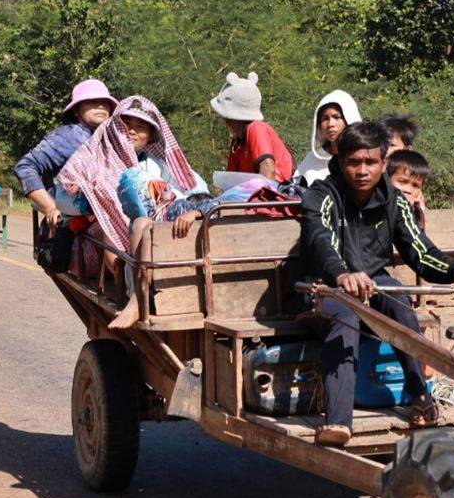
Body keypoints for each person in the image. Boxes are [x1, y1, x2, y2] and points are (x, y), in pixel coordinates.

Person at [298, 122, 454, 447]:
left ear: (384, 163)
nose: (362, 170)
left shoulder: (393, 199)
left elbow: (419, 249)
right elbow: (319, 238)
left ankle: (420, 396)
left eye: (370, 162)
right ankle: (339, 421)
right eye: (354, 162)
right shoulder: (321, 195)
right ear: (340, 162)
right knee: (346, 316)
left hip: (373, 281)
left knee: (400, 306)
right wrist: (341, 274)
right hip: (322, 287)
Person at [59, 96, 210, 328]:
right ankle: (131, 291)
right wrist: (99, 203)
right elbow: (63, 197)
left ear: (150, 135)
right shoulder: (94, 157)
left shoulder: (159, 165)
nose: (131, 132)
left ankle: (162, 289)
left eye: (140, 127)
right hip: (108, 234)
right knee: (109, 232)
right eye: (125, 125)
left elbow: (197, 190)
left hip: (159, 234)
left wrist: (181, 204)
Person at [15, 79, 118, 230]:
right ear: (77, 110)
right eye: (93, 101)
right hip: (70, 224)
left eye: (105, 102)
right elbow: (25, 166)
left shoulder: (115, 138)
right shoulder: (69, 137)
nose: (100, 105)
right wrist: (50, 207)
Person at [209, 71, 294, 182]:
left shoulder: (257, 128)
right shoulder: (237, 142)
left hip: (280, 194)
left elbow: (268, 170)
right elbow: (232, 182)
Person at [293, 90, 362, 186]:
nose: (330, 124)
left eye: (336, 117)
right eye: (325, 119)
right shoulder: (312, 160)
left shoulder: (364, 155)